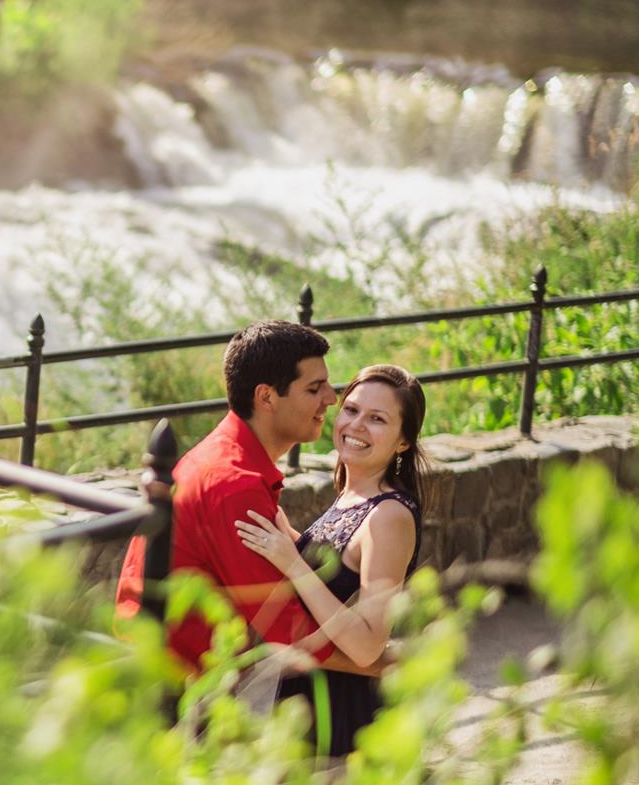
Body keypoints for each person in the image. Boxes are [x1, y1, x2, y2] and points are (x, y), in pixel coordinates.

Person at [115, 320, 339, 682]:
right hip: (171, 684)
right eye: (315, 388)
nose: (331, 397)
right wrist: (391, 663)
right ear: (266, 397)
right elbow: (292, 633)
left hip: (165, 662)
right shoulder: (235, 484)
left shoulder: (227, 458)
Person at [233, 363, 426, 757]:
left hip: (344, 716)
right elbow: (336, 572)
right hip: (310, 700)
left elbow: (368, 645)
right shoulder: (353, 496)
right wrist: (286, 534)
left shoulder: (389, 516)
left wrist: (292, 562)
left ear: (403, 441)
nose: (356, 425)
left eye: (377, 419)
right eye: (351, 410)